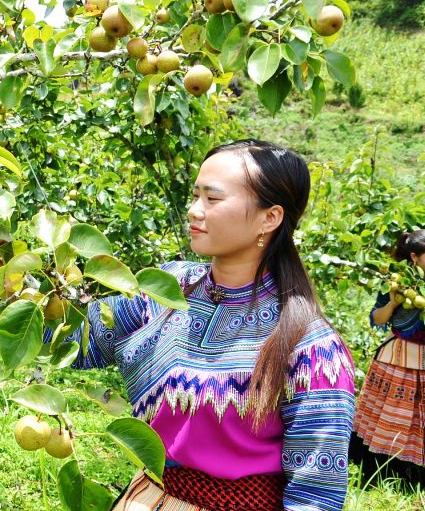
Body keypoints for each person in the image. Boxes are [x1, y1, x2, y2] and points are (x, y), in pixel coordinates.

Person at [67, 140, 356, 511]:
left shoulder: (312, 349)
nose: (194, 211)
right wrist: (21, 285)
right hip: (148, 498)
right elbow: (75, 340)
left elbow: (316, 493)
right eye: (195, 195)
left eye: (212, 199)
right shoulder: (166, 290)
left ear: (270, 217)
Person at [349, 229, 425, 492]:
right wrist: (392, 303)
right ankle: (385, 476)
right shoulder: (397, 283)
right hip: (401, 358)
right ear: (414, 257)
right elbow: (377, 318)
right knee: (395, 418)